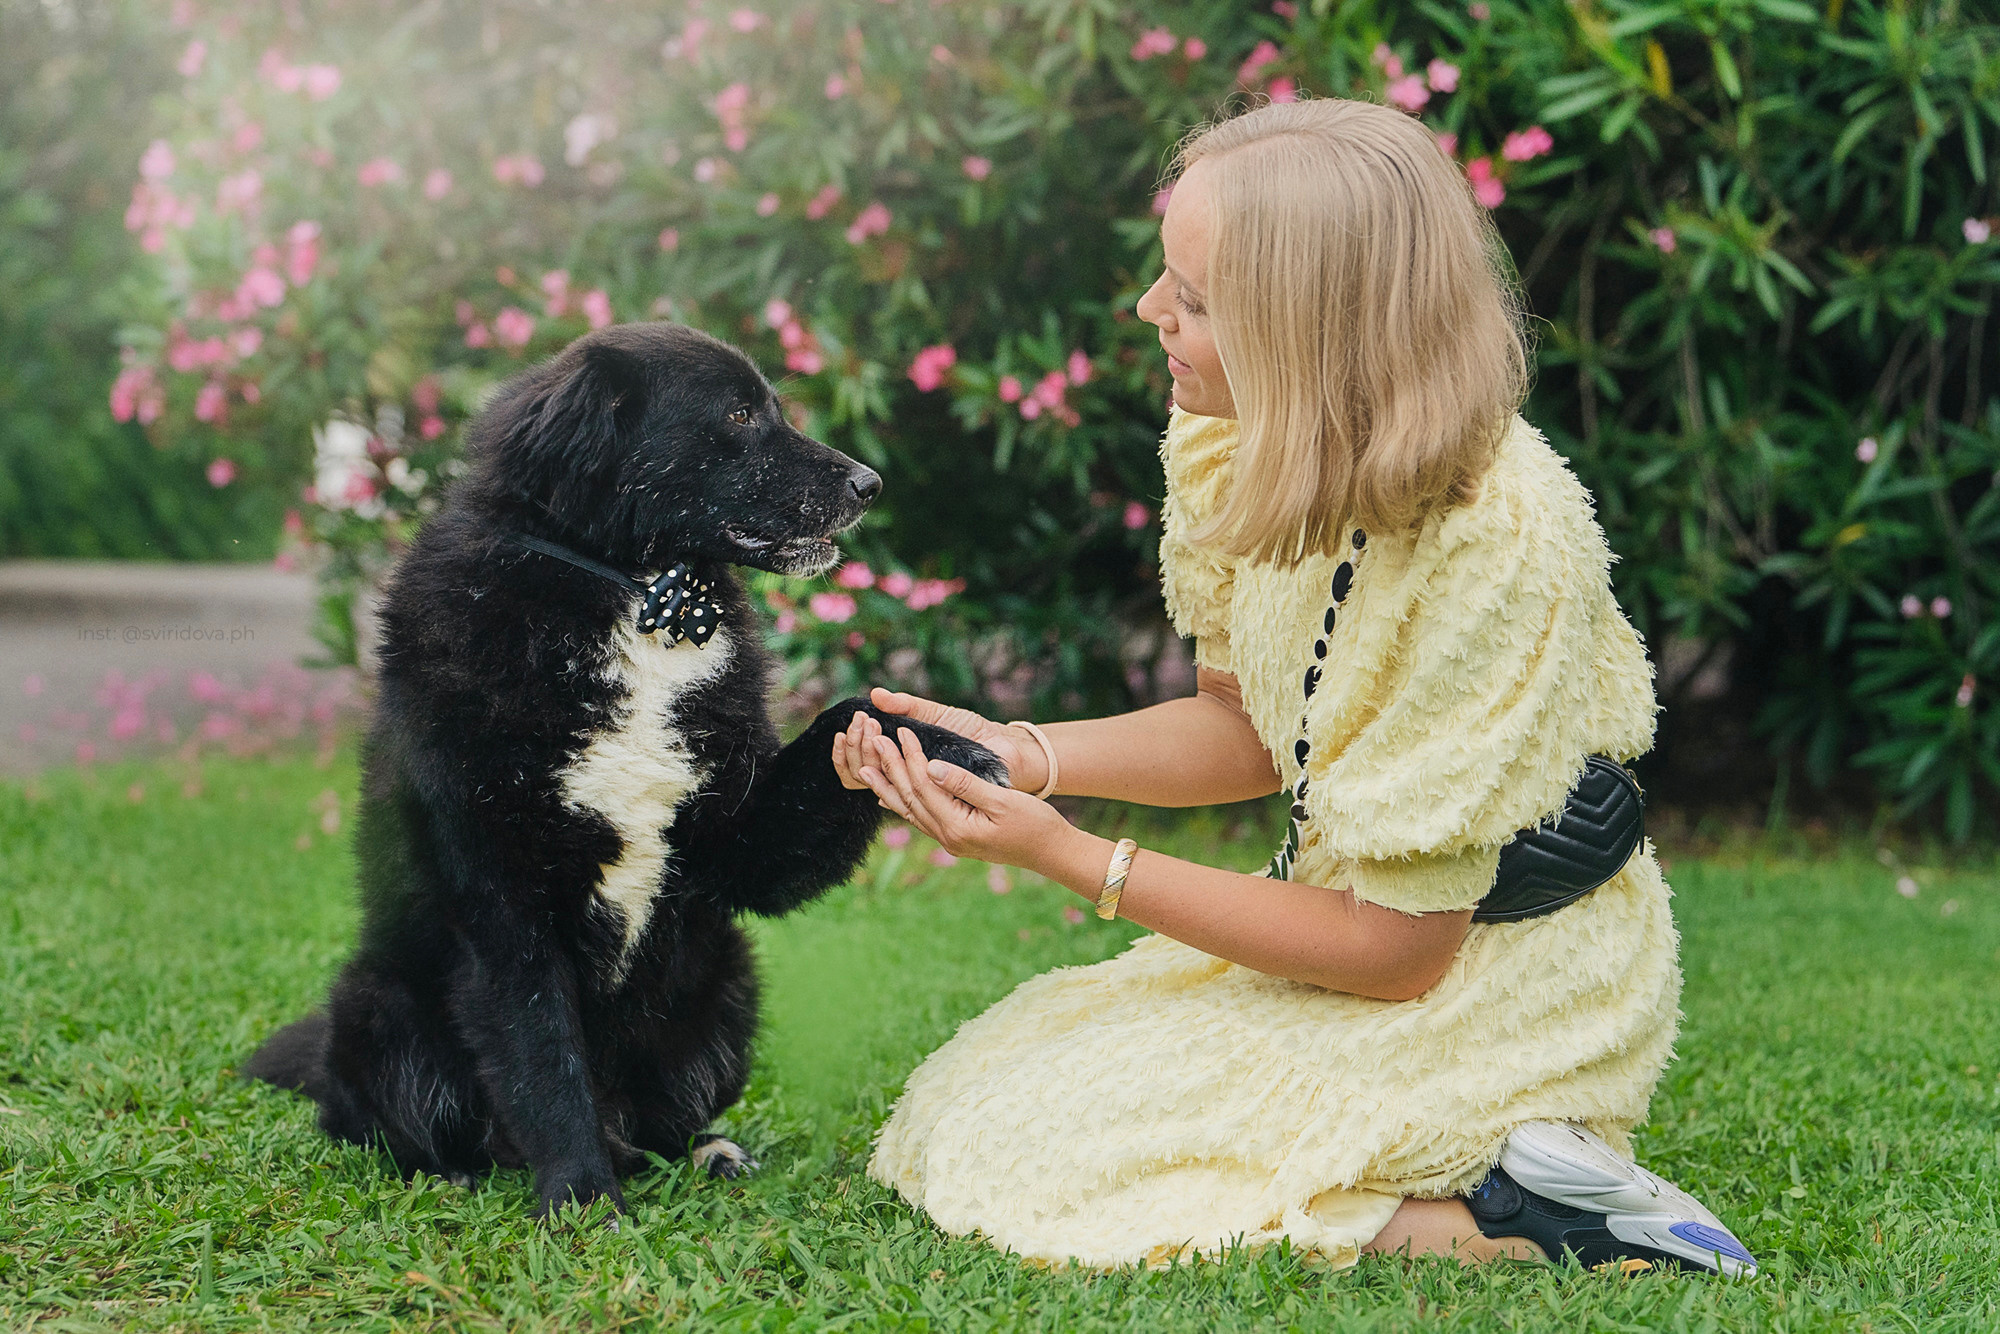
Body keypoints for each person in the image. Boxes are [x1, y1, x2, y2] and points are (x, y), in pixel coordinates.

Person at [830, 96, 1756, 1277]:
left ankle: (1530, 1212)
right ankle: (1492, 1168)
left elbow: (1398, 949)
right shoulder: (1242, 433)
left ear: (1311, 328)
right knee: (975, 1104)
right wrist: (1022, 754)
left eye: (1197, 301)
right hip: (1351, 907)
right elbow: (1244, 726)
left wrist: (1068, 854)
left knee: (1068, 1174)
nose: (1147, 313)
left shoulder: (1494, 543)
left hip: (1498, 968)